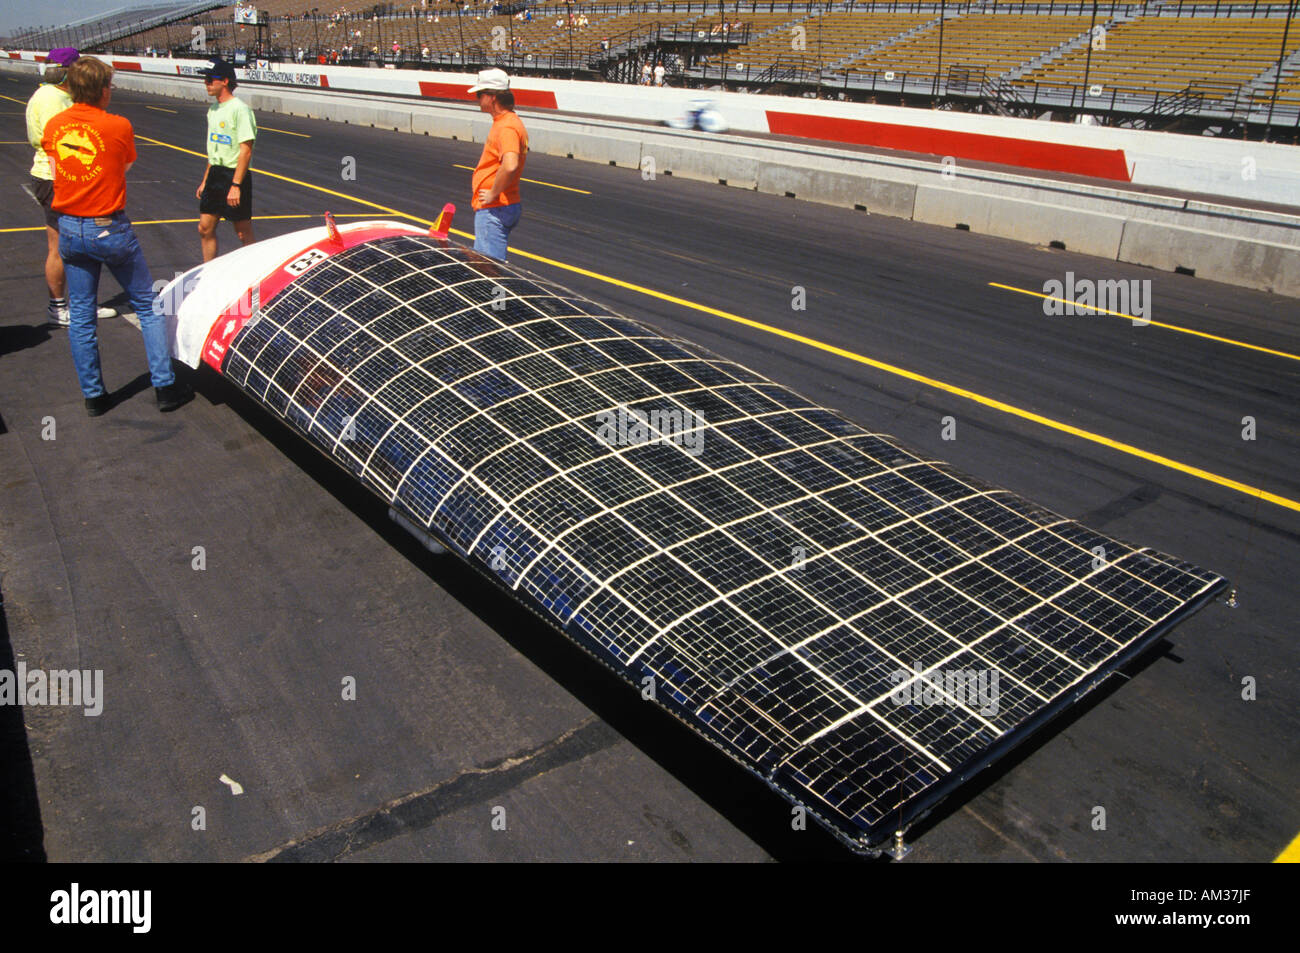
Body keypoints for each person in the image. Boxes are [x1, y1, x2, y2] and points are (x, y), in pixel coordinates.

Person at [42, 56, 191, 416]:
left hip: (70, 226)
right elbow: (124, 166)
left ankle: (94, 396)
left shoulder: (56, 125)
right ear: (101, 90)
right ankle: (165, 387)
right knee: (148, 306)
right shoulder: (118, 124)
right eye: (109, 85)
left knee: (81, 315)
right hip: (107, 225)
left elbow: (55, 170)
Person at [26, 47, 116, 327]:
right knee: (63, 246)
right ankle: (60, 307)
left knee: (74, 244)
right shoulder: (53, 99)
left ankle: (79, 304)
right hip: (57, 178)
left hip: (54, 176)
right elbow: (63, 143)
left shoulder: (51, 95)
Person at [196, 59, 257, 262]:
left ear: (224, 81)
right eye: (205, 79)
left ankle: (255, 271)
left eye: (210, 79)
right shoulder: (213, 110)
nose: (206, 83)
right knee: (205, 228)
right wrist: (205, 180)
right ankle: (208, 271)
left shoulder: (240, 110)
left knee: (242, 232)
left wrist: (236, 185)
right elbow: (214, 150)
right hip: (215, 174)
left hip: (234, 175)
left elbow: (245, 151)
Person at [467, 68, 527, 261]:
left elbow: (510, 165)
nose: (477, 99)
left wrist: (493, 193)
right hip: (502, 204)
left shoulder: (506, 126)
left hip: (495, 207)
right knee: (488, 266)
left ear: (492, 97)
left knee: (488, 269)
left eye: (479, 94)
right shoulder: (507, 121)